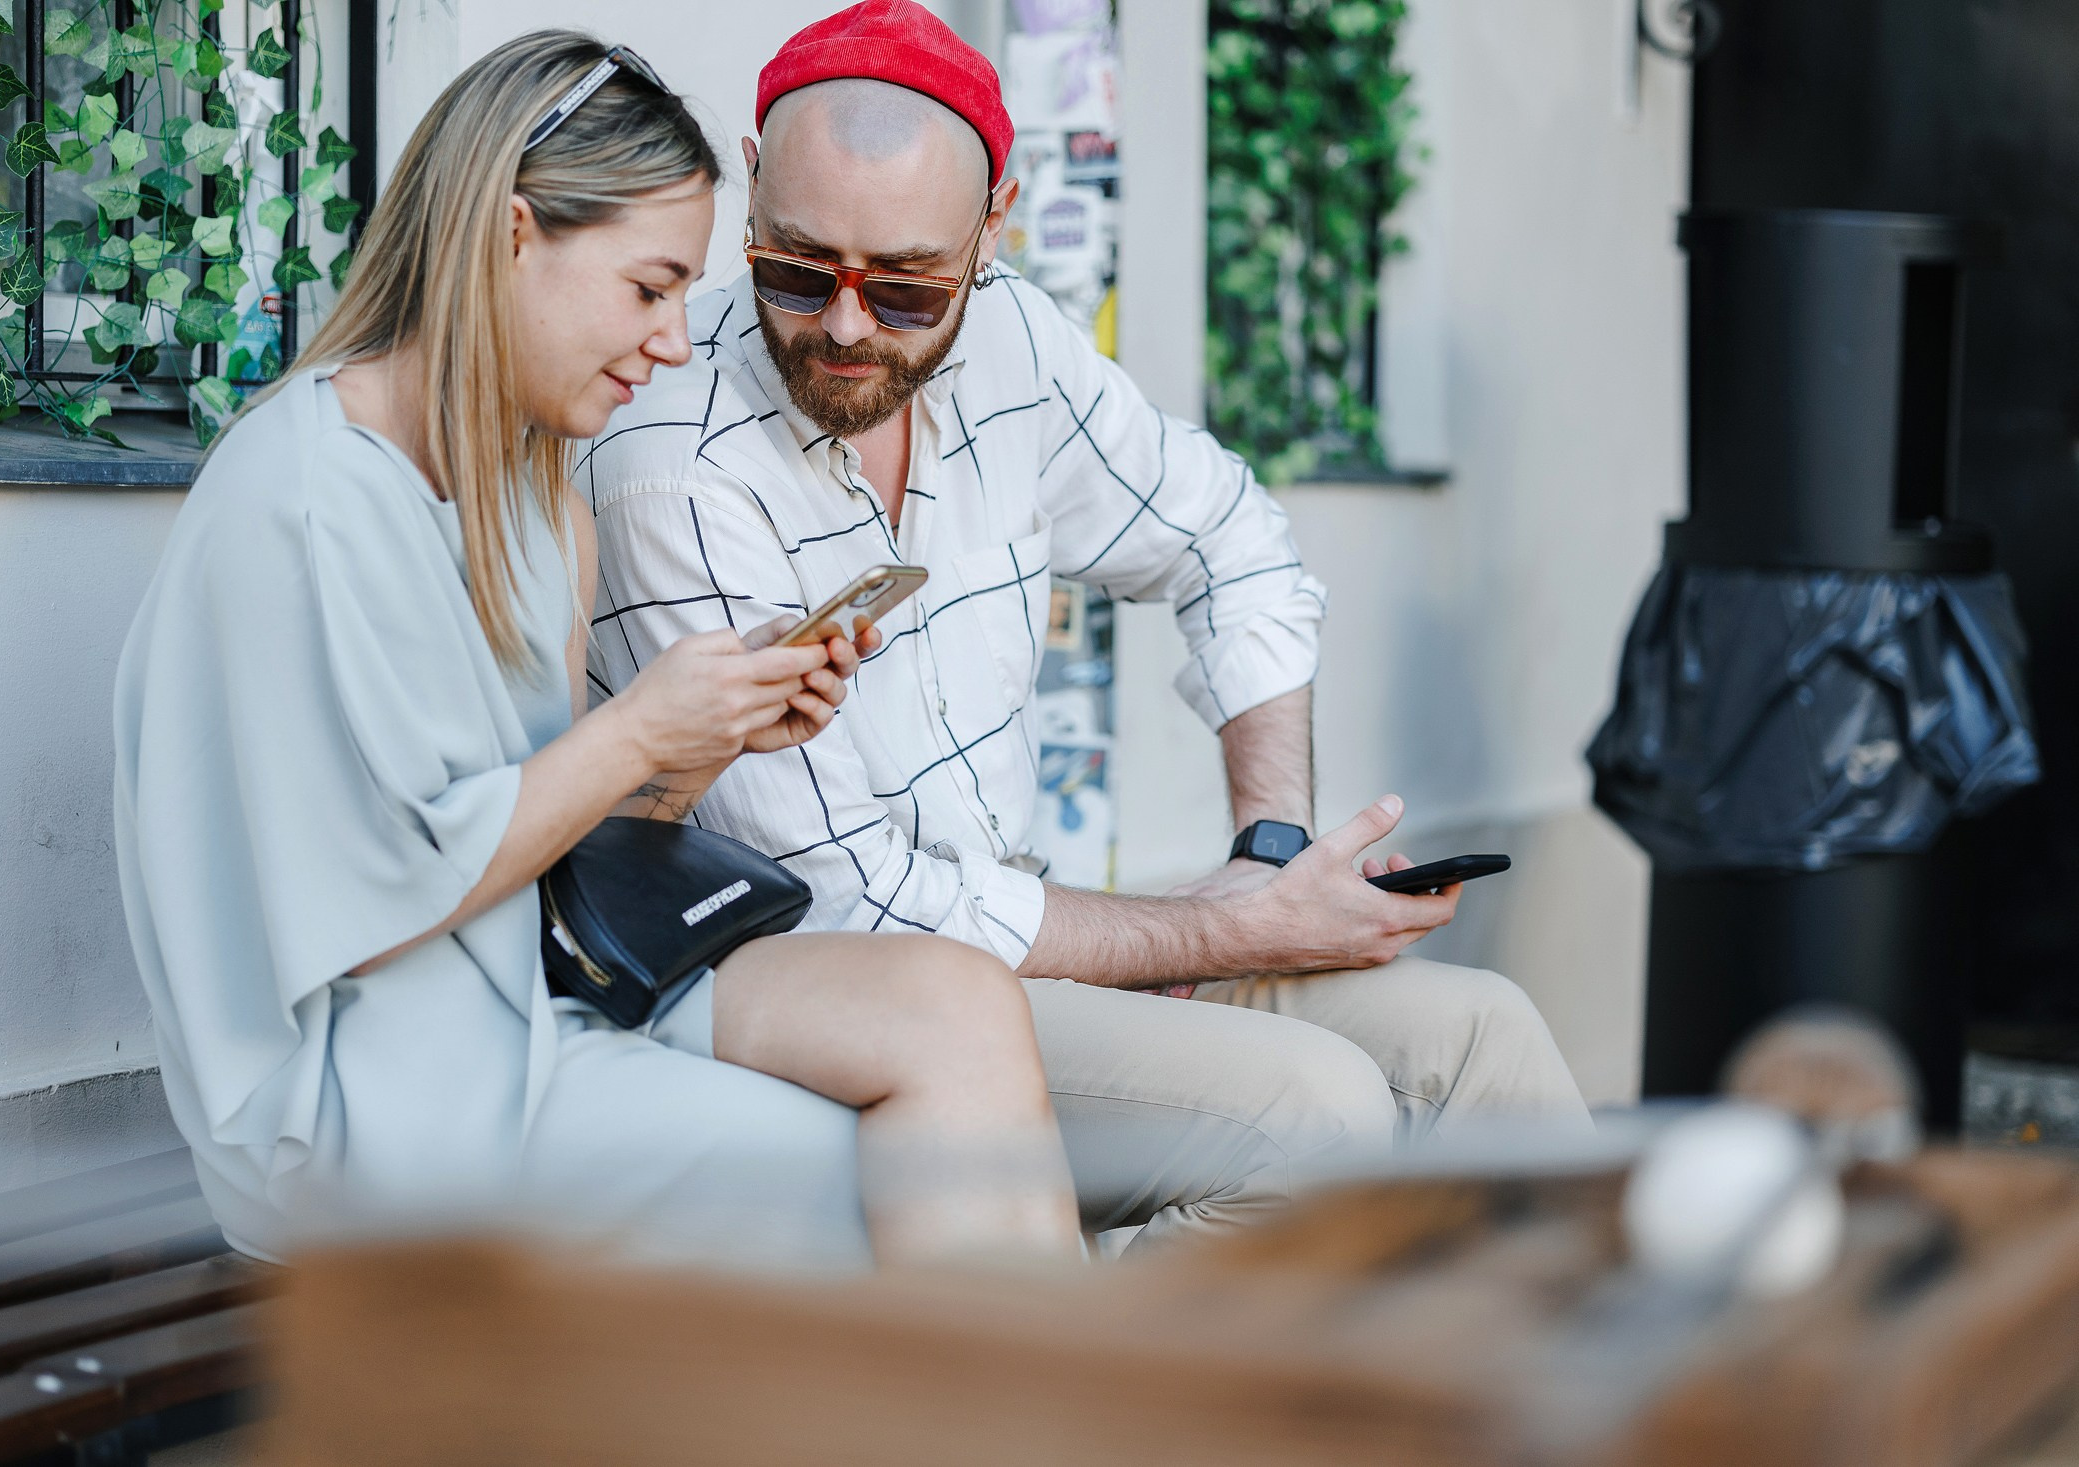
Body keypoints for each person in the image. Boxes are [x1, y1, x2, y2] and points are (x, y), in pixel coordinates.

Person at [582, 0, 1594, 1249]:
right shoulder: (674, 465)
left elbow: (1229, 540)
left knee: (1478, 1038)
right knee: (1318, 1113)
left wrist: (1268, 857)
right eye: (796, 267)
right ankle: (1058, 1387)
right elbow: (857, 904)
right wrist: (1218, 930)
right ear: (751, 187)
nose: (844, 325)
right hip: (853, 982)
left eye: (905, 286)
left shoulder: (1011, 341)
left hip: (1013, 936)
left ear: (992, 225)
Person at [112, 30, 1079, 1271]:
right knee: (877, 1169)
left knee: (958, 1004)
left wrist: (703, 739)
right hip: (366, 1107)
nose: (675, 342)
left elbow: (553, 852)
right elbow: (375, 903)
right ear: (513, 235)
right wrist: (635, 732)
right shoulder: (300, 504)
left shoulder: (531, 495)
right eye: (649, 287)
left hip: (531, 1004)